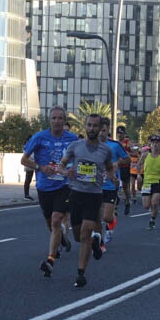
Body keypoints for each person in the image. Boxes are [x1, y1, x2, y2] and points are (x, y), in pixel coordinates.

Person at [59, 114, 115, 288]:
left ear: (100, 129)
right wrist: (64, 172)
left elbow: (109, 168)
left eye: (95, 126)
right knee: (77, 236)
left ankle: (80, 273)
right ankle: (95, 241)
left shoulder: (106, 150)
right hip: (75, 194)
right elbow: (61, 165)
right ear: (85, 126)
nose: (92, 129)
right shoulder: (75, 146)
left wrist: (113, 178)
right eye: (89, 125)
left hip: (94, 195)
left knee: (85, 233)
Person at [21, 106, 78, 277]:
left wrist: (72, 171)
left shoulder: (73, 139)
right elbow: (23, 160)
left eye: (60, 118)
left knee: (56, 219)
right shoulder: (39, 137)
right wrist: (41, 167)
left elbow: (80, 159)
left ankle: (51, 259)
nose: (57, 122)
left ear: (64, 120)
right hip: (44, 187)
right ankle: (60, 239)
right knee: (49, 222)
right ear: (50, 120)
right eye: (54, 118)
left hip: (64, 186)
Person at [99, 117, 129, 246]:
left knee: (107, 217)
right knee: (95, 216)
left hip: (111, 184)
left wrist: (117, 162)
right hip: (94, 185)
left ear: (108, 131)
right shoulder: (90, 144)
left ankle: (111, 225)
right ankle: (98, 240)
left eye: (104, 130)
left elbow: (127, 159)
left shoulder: (115, 145)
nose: (101, 133)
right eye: (99, 129)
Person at [140, 135, 160, 229]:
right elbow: (139, 164)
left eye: (157, 143)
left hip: (157, 182)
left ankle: (152, 220)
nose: (155, 144)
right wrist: (139, 175)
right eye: (153, 142)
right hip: (146, 182)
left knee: (154, 203)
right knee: (146, 206)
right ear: (150, 144)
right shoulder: (145, 155)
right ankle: (153, 210)